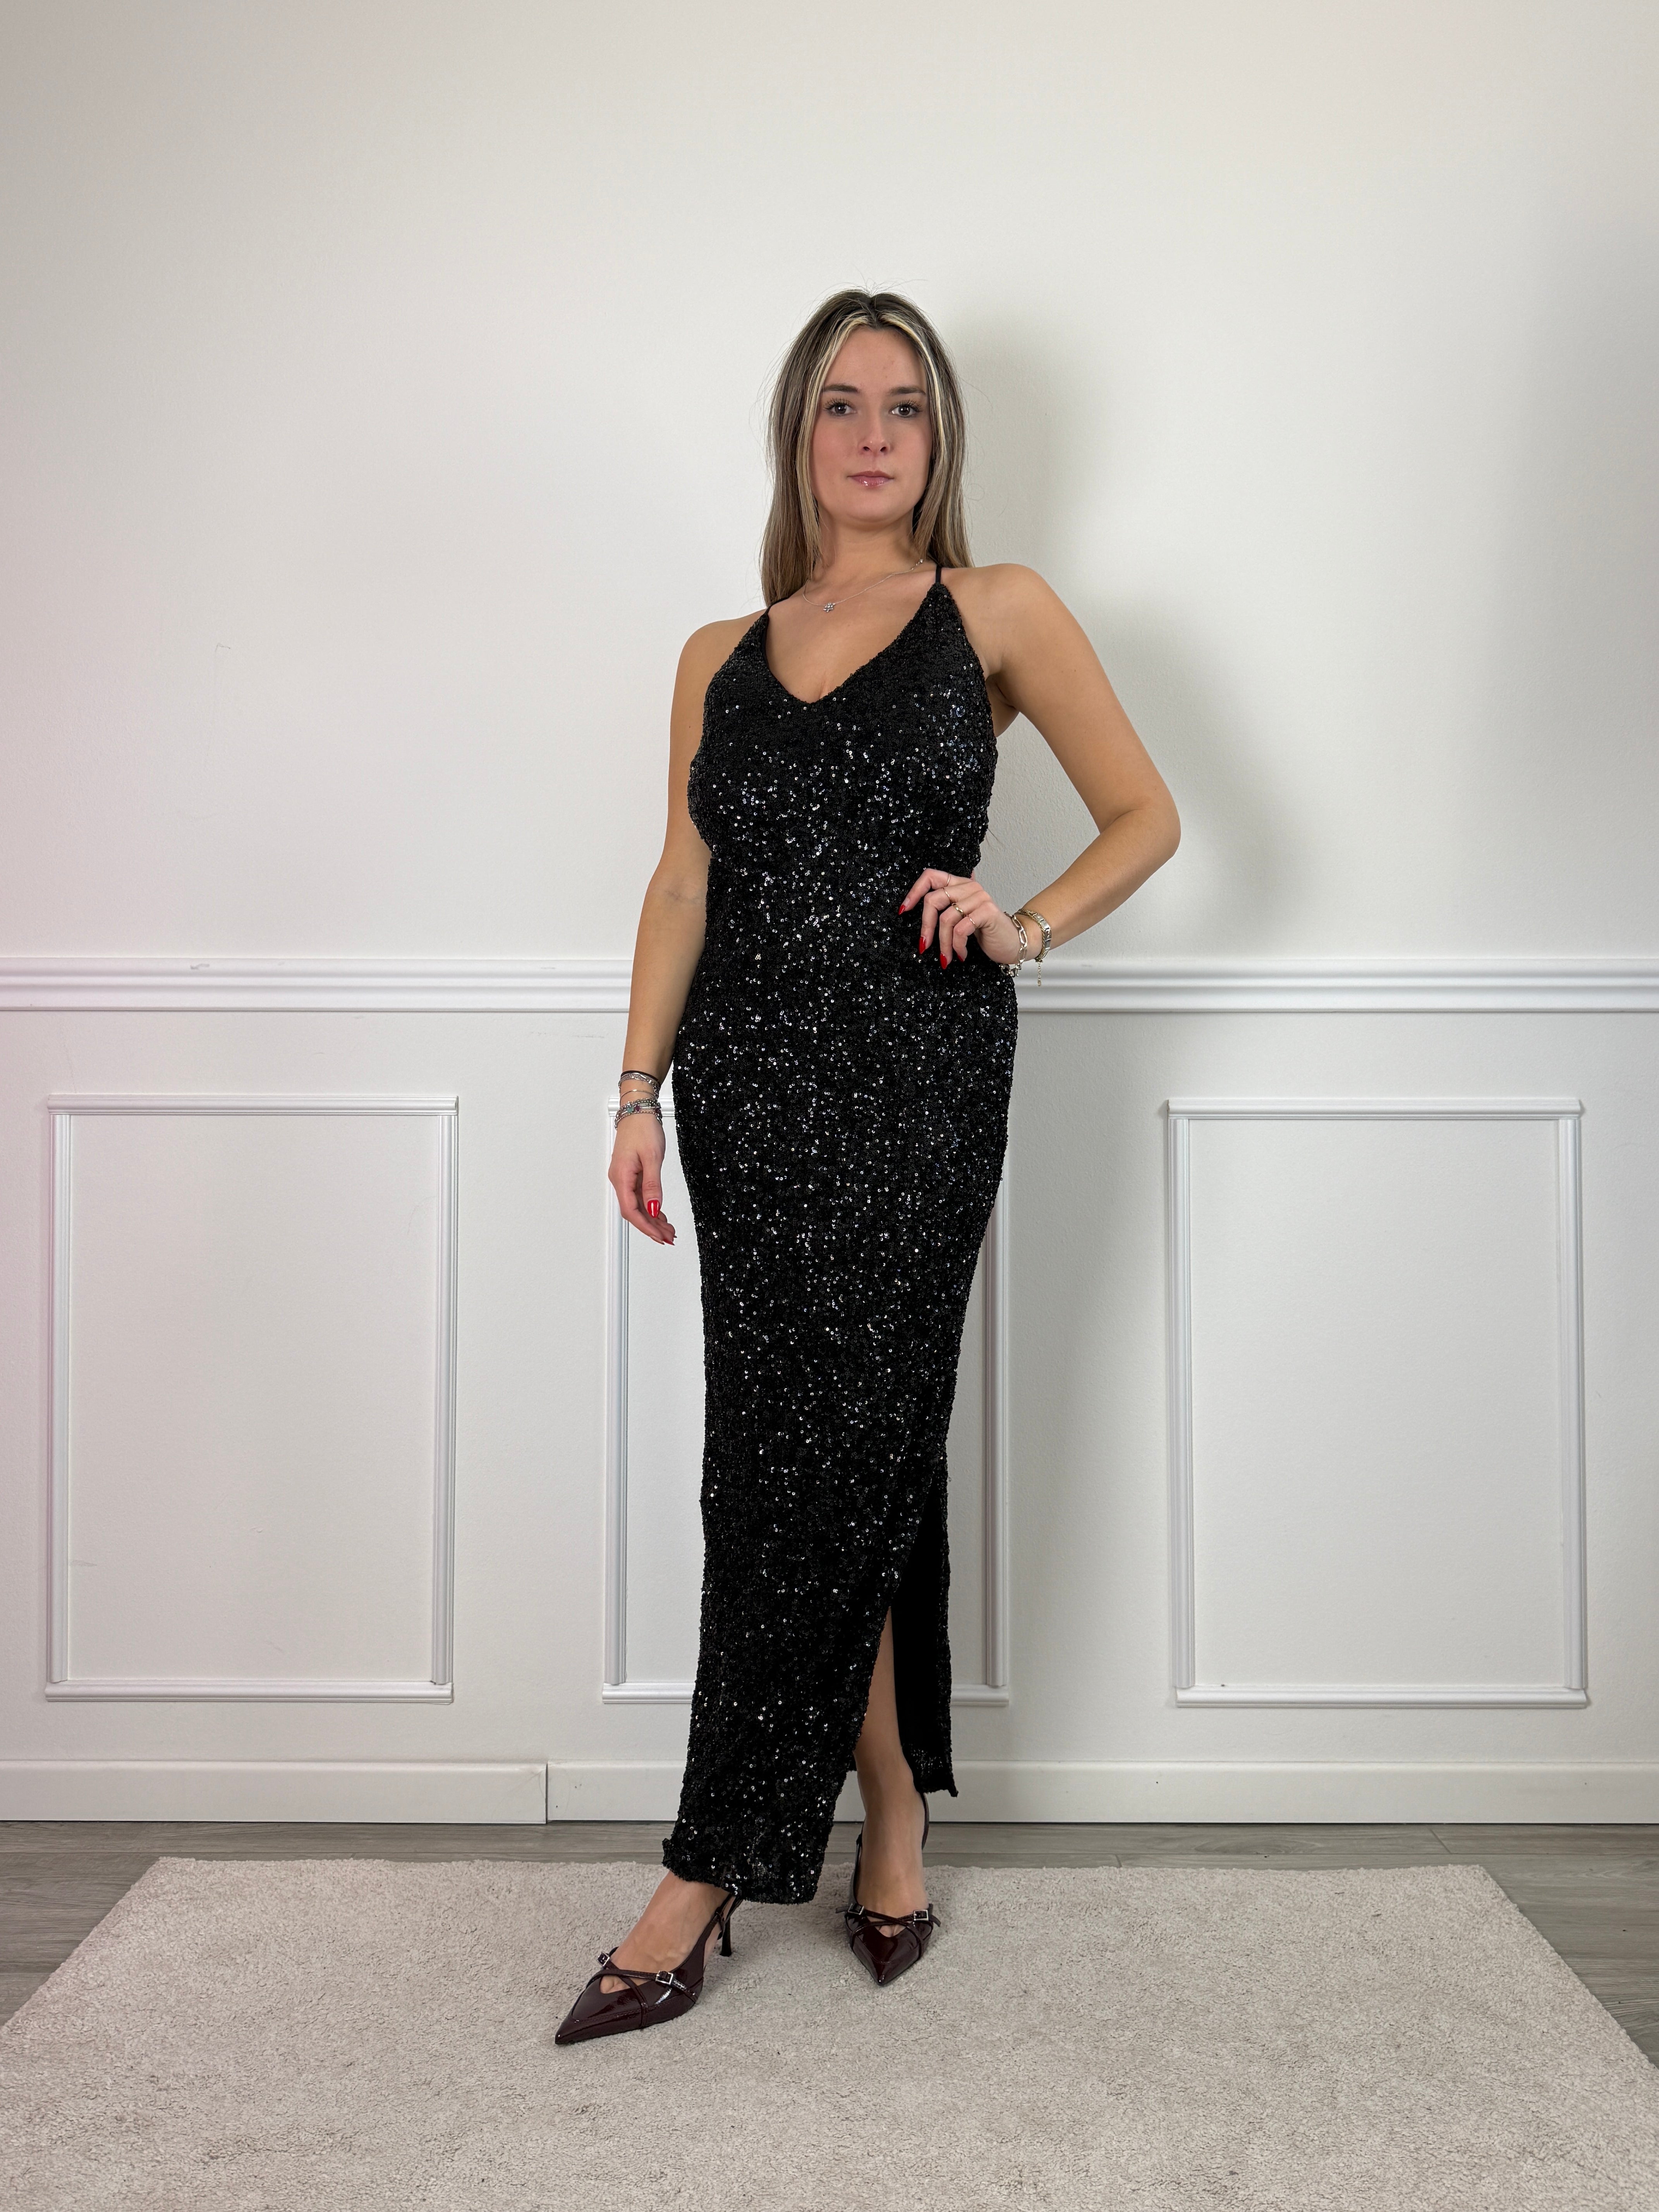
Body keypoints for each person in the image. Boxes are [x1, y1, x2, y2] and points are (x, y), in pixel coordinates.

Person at [556, 289, 1180, 2044]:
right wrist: (634, 1091)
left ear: (939, 437)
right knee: (798, 1459)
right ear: (799, 434)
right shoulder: (718, 651)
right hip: (746, 1096)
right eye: (842, 404)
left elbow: (1147, 815)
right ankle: (889, 1806)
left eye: (905, 405)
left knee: (838, 1447)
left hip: (919, 1080)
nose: (874, 434)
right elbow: (682, 883)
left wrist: (1024, 922)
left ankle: (704, 1869)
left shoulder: (998, 609)